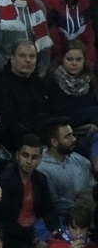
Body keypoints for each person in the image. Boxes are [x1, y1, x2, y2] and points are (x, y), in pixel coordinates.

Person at [0, 135, 57, 248]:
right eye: (25, 155)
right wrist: (34, 241)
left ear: (40, 159)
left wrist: (55, 230)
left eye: (34, 157)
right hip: (12, 236)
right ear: (17, 155)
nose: (29, 161)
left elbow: (48, 209)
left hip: (35, 230)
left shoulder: (40, 179)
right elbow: (5, 222)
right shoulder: (6, 180)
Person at [45, 41, 98, 173]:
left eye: (78, 59)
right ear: (62, 59)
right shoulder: (52, 80)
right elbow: (59, 114)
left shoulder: (91, 79)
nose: (74, 63)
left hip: (90, 130)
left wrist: (93, 124)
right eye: (70, 59)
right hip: (66, 134)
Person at [0, 40, 49, 153]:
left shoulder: (39, 83)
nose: (28, 60)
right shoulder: (1, 86)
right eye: (22, 56)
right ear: (12, 58)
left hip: (45, 140)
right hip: (19, 146)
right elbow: (10, 124)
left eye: (32, 56)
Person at [37, 117, 95, 218]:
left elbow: (93, 190)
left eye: (72, 134)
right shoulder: (41, 170)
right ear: (54, 142)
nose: (74, 139)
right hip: (64, 220)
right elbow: (54, 204)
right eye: (67, 136)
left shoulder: (82, 161)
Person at [42, 0, 95, 66]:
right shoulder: (49, 2)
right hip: (57, 64)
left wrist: (90, 66)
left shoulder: (84, 3)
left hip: (79, 62)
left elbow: (89, 39)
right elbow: (54, 43)